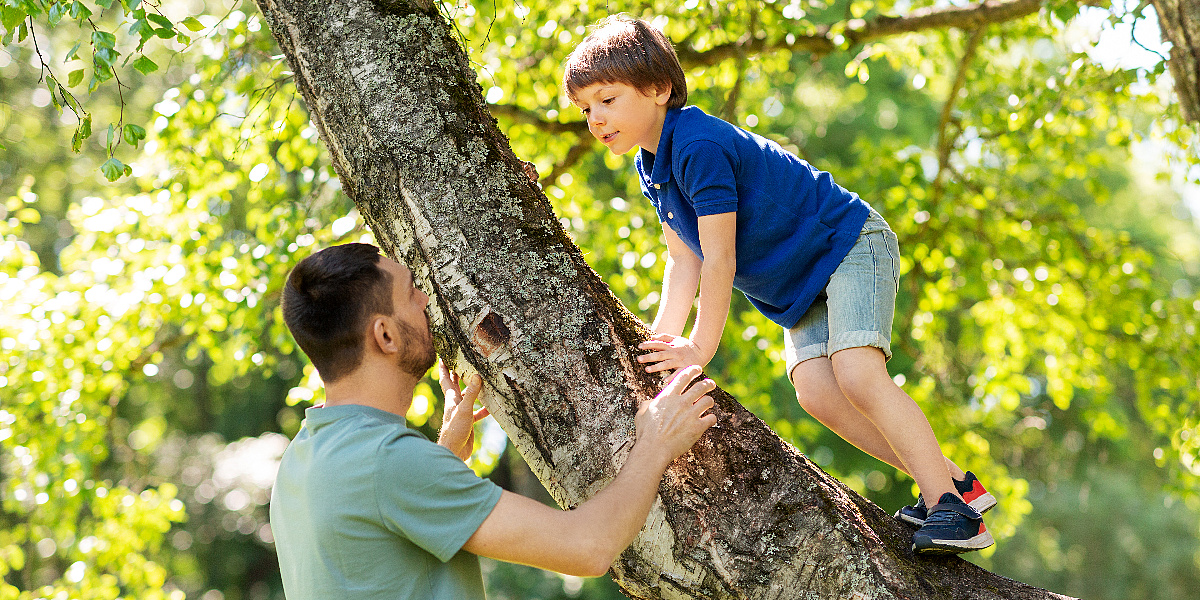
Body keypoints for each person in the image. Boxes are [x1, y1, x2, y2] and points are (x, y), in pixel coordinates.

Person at [562, 16, 996, 554]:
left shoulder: (697, 145)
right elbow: (683, 262)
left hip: (846, 245)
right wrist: (656, 350)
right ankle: (956, 484)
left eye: (607, 99)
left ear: (659, 89)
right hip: (800, 284)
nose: (596, 119)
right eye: (585, 109)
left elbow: (719, 260)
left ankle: (952, 512)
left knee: (857, 373)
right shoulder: (650, 166)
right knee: (819, 394)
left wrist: (698, 349)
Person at [270, 242, 718, 598]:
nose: (426, 299)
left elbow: (376, 553)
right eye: (410, 292)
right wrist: (655, 442)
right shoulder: (388, 464)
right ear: (385, 335)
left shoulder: (300, 460)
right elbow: (588, 547)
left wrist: (444, 455)